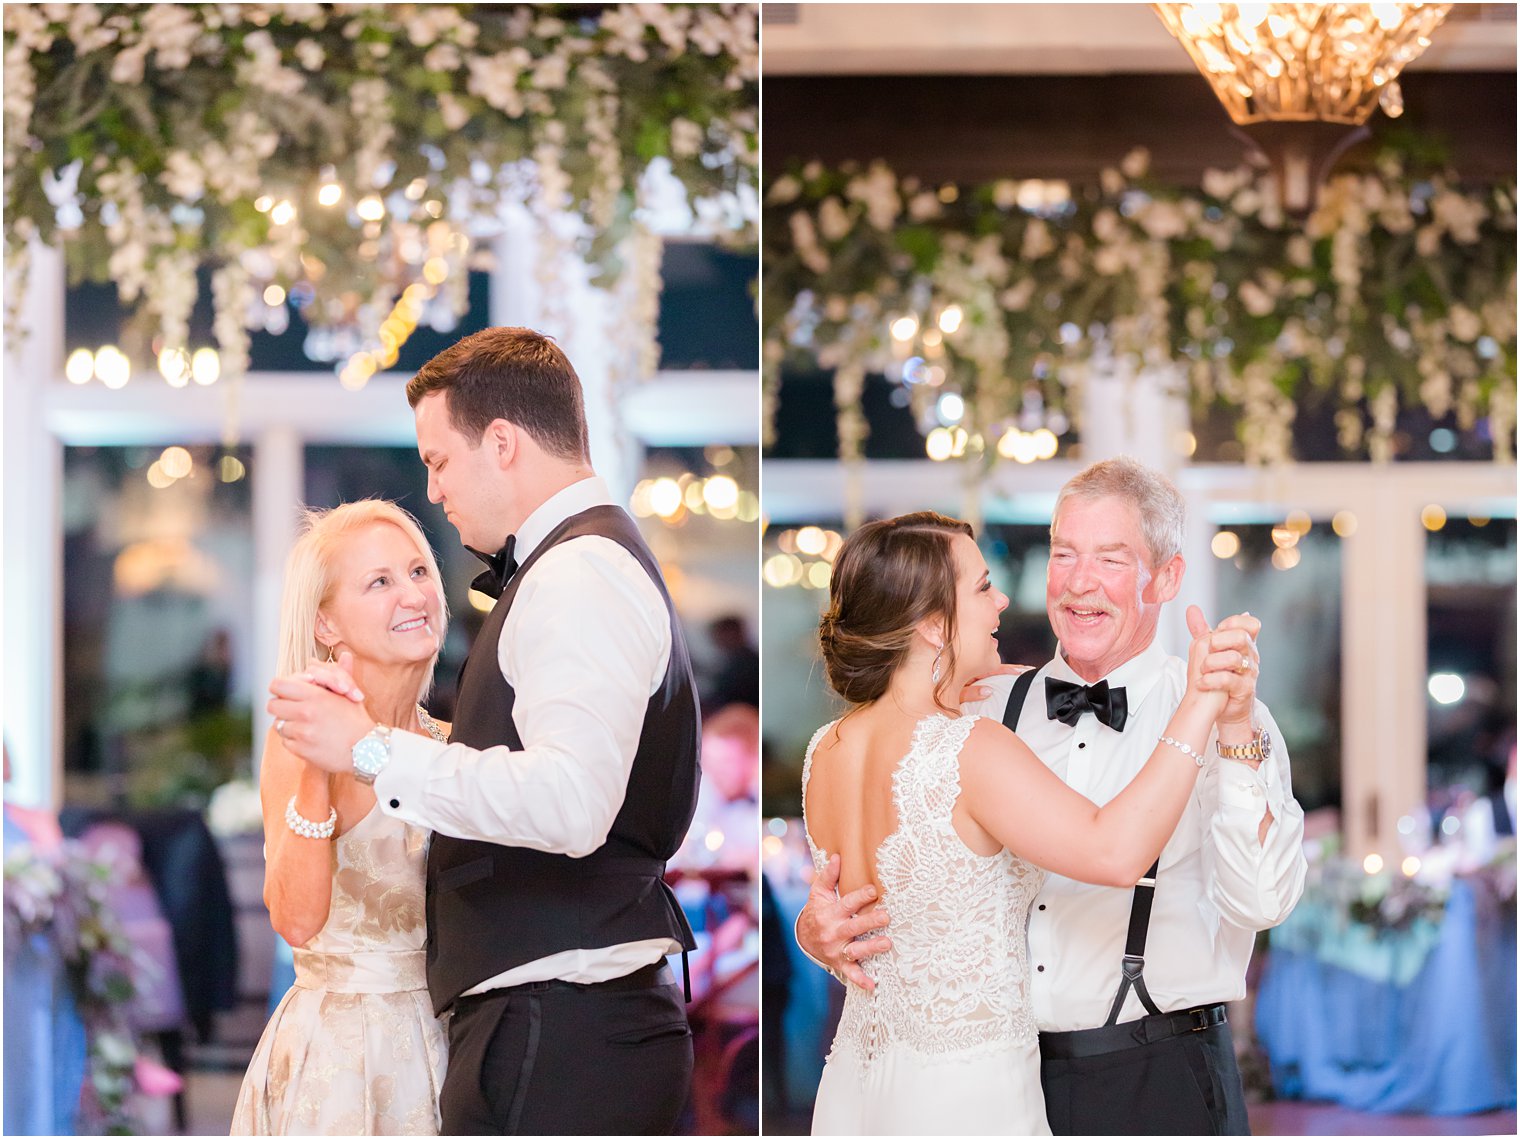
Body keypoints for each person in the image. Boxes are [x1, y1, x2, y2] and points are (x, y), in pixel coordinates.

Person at [268, 327, 701, 1135]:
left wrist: (368, 749)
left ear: (501, 443)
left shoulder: (577, 571)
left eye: (437, 460)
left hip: (562, 1024)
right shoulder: (572, 565)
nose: (432, 491)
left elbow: (572, 802)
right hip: (531, 1022)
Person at [799, 458, 1308, 1135]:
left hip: (1157, 1077)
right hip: (1004, 1081)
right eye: (1063, 553)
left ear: (1166, 577)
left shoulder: (1227, 715)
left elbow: (1264, 903)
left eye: (1111, 558)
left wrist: (1233, 726)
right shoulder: (979, 708)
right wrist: (818, 929)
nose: (1078, 581)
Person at [231, 500, 450, 1135]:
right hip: (340, 1057)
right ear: (326, 625)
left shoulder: (457, 750)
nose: (412, 594)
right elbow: (296, 921)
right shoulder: (296, 747)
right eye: (379, 582)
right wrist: (318, 764)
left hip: (449, 1045)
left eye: (417, 571)